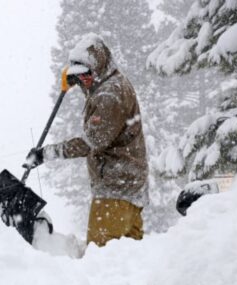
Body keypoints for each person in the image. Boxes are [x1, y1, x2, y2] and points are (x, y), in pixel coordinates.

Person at [24, 34, 149, 247]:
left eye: (86, 76)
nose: (84, 81)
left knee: (102, 259)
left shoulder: (109, 94)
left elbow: (91, 142)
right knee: (127, 259)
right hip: (128, 190)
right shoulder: (111, 83)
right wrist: (80, 83)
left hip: (114, 192)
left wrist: (46, 154)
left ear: (98, 68)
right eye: (79, 77)